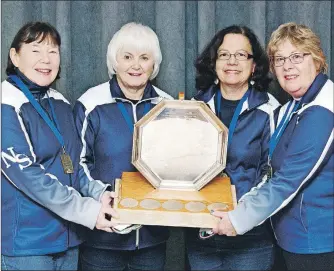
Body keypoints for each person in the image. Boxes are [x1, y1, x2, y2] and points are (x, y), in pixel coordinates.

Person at [213, 22, 334, 271]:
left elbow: (287, 180)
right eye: (279, 59)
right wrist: (240, 207)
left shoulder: (322, 111)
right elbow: (271, 174)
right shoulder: (289, 108)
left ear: (318, 60)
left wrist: (237, 219)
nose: (287, 66)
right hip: (287, 239)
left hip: (315, 245)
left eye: (297, 56)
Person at [1, 21, 119, 271]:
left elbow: (73, 164)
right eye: (36, 50)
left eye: (53, 51)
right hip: (28, 247)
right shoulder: (6, 104)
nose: (46, 59)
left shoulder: (60, 103)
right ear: (15, 56)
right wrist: (88, 211)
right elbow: (29, 176)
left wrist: (100, 194)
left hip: (68, 241)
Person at [74, 22, 173, 271]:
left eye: (144, 57)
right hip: (102, 239)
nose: (136, 65)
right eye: (127, 56)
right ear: (114, 61)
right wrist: (104, 195)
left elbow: (178, 164)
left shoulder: (169, 106)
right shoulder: (90, 104)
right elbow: (77, 164)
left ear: (154, 64)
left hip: (152, 238)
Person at [185, 25, 280, 270]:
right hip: (201, 232)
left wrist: (239, 215)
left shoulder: (270, 110)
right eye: (224, 54)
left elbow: (272, 175)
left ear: (254, 65)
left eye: (241, 55)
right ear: (213, 62)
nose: (232, 62)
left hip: (250, 238)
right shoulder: (194, 106)